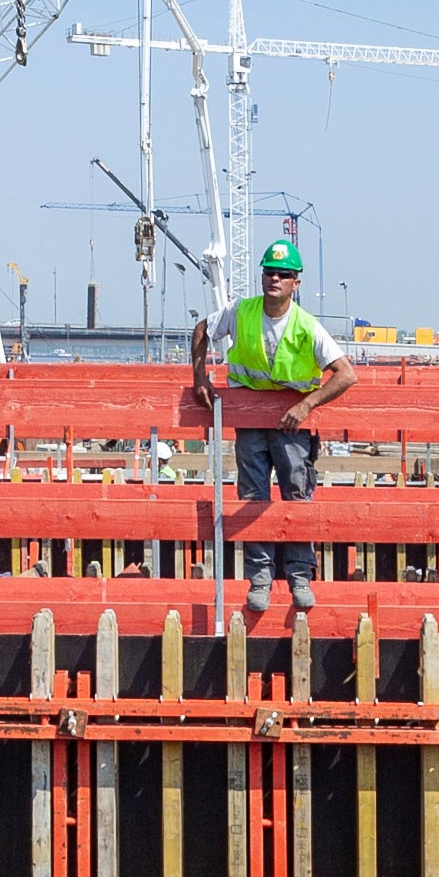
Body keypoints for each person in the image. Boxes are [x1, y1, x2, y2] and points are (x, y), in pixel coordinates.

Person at [191, 238, 354, 620]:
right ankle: (259, 580)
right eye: (269, 272)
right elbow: (202, 329)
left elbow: (346, 374)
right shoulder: (242, 312)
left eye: (283, 274)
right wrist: (199, 374)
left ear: (296, 282)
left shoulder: (305, 326)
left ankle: (299, 578)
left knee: (297, 496)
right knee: (253, 498)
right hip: (249, 421)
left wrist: (307, 404)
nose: (275, 279)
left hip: (290, 425)